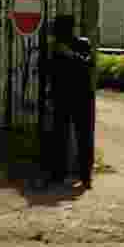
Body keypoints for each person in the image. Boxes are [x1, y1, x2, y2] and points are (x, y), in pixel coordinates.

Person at [46, 15, 94, 189]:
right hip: (62, 97)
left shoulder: (82, 43)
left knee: (84, 137)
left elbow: (87, 63)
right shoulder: (55, 48)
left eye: (58, 29)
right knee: (59, 136)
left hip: (81, 98)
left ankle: (86, 176)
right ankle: (58, 174)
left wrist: (69, 54)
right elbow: (50, 72)